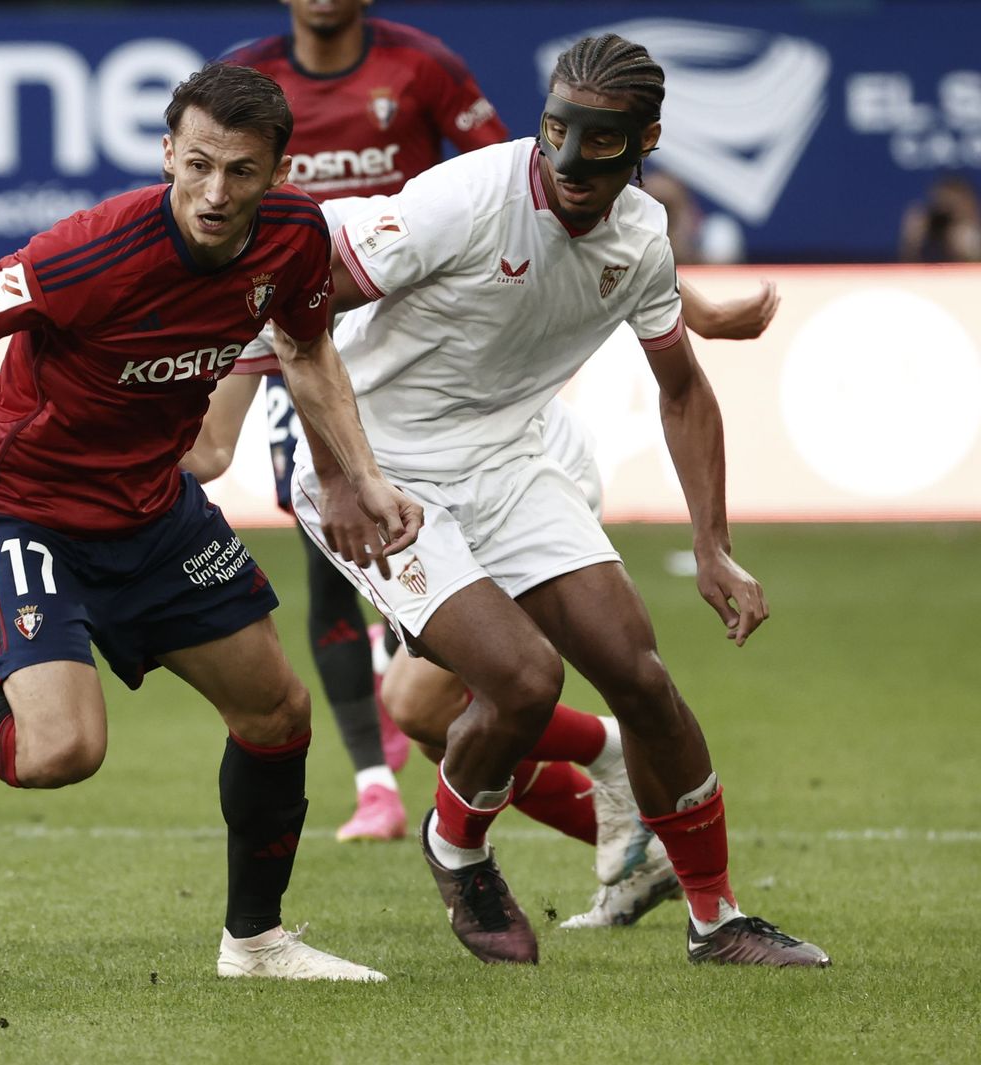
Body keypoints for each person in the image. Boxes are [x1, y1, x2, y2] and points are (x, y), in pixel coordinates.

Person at [0, 62, 422, 982]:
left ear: (280, 173)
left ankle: (256, 943)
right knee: (61, 750)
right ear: (167, 152)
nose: (215, 192)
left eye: (241, 171)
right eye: (197, 163)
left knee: (277, 711)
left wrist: (357, 477)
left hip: (154, 509)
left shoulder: (293, 239)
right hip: (28, 509)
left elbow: (309, 346)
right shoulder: (90, 255)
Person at [287, 33, 829, 966]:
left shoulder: (641, 238)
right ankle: (457, 846)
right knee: (523, 680)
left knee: (642, 675)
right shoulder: (461, 201)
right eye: (556, 133)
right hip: (382, 472)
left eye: (602, 143)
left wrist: (713, 547)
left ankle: (718, 919)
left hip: (511, 460)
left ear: (646, 140)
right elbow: (294, 296)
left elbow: (684, 389)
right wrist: (338, 473)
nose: (571, 164)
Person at [189, 264, 777, 926]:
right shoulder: (248, 274)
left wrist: (693, 309)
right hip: (405, 484)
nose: (219, 192)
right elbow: (209, 451)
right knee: (424, 709)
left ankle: (621, 782)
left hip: (512, 465)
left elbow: (587, 223)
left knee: (451, 695)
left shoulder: (374, 216)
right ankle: (630, 808)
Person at [216, 0, 508, 842]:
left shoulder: (422, 67)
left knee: (420, 547)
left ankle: (423, 680)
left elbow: (508, 180)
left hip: (413, 356)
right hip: (291, 342)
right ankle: (374, 783)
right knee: (327, 554)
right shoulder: (249, 76)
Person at [899, 173, 981, 263]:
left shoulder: (970, 235)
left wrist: (971, 251)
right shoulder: (929, 239)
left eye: (953, 206)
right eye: (941, 206)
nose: (947, 212)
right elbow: (907, 271)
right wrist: (910, 244)